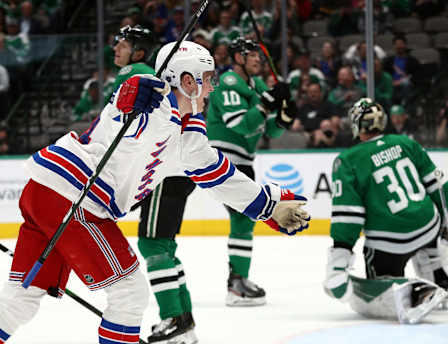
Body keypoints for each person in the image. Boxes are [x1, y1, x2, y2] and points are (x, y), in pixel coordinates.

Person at [0, 40, 310, 344]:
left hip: (47, 192)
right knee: (129, 292)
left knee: (21, 298)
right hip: (72, 196)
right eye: (207, 79)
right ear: (187, 81)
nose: (212, 88)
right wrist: (134, 91)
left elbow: (221, 175)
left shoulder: (188, 136)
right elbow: (128, 100)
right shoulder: (152, 102)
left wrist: (269, 207)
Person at [323, 98, 448, 324]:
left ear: (357, 125)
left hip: (388, 242)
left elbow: (348, 215)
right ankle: (441, 275)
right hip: (428, 225)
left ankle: (404, 291)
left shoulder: (347, 160)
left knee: (379, 280)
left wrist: (339, 256)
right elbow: (439, 186)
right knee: (429, 236)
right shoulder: (405, 143)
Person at [207, 37, 296, 307]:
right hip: (223, 158)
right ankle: (236, 283)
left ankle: (238, 280)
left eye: (259, 55)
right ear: (238, 59)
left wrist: (283, 117)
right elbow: (240, 125)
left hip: (242, 159)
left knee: (245, 220)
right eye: (251, 55)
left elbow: (268, 130)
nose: (258, 59)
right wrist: (267, 102)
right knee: (243, 218)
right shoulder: (228, 84)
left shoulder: (255, 86)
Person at [105, 24, 155, 105]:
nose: (115, 48)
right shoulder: (147, 70)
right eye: (117, 44)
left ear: (139, 55)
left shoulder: (131, 70)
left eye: (123, 46)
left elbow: (111, 110)